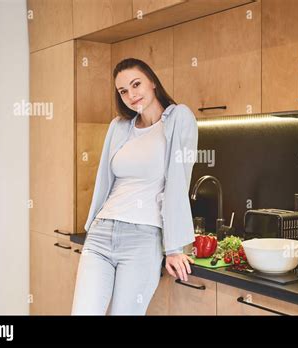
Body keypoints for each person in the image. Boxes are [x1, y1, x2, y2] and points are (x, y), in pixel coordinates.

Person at [71, 58, 198, 315]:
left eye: (136, 84)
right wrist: (91, 224)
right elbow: (105, 182)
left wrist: (173, 248)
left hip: (142, 239)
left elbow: (177, 182)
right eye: (123, 91)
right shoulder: (118, 127)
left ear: (152, 81)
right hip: (101, 234)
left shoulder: (178, 118)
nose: (131, 95)